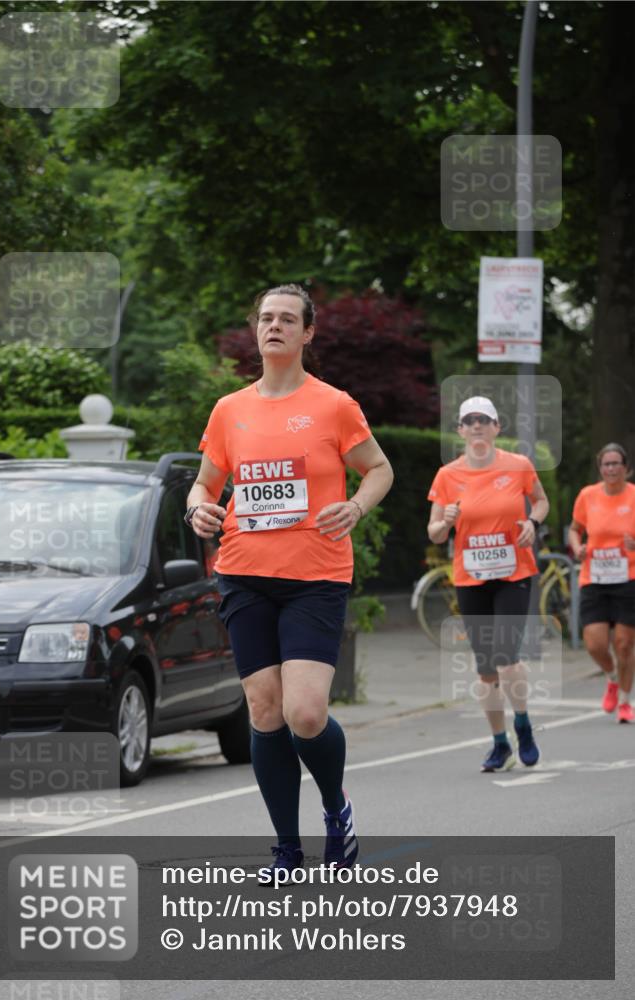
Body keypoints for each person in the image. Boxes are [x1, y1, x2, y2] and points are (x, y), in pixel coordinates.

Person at [185, 283, 393, 877]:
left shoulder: (334, 405)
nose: (273, 326)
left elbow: (379, 469)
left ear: (308, 334)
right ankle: (285, 845)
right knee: (263, 709)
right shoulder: (230, 409)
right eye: (265, 318)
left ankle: (336, 808)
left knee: (304, 713)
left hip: (315, 576)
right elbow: (206, 482)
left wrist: (355, 507)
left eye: (287, 319)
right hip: (244, 573)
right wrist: (198, 505)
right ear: (256, 330)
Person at [427, 396, 550, 772]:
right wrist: (445, 521)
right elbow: (433, 534)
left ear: (497, 427)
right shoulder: (447, 476)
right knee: (485, 668)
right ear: (461, 430)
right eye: (469, 420)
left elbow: (541, 502)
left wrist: (533, 523)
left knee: (506, 655)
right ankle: (500, 744)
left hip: (514, 574)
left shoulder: (519, 466)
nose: (477, 425)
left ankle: (524, 725)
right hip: (471, 577)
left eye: (484, 419)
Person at [568, 443, 635, 723]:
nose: (611, 469)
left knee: (623, 644)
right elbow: (575, 529)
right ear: (600, 469)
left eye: (615, 464)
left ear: (625, 467)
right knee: (595, 644)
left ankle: (624, 701)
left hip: (628, 578)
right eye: (606, 465)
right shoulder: (587, 496)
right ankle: (611, 678)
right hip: (593, 577)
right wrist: (578, 547)